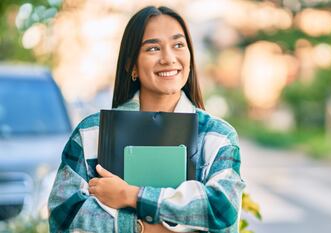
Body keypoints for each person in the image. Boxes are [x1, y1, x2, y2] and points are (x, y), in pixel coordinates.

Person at [48, 5, 245, 233]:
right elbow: (64, 217)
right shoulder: (92, 132)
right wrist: (150, 226)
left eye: (178, 45)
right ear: (132, 64)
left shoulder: (217, 137)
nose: (168, 58)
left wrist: (129, 195)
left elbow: (223, 213)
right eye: (153, 48)